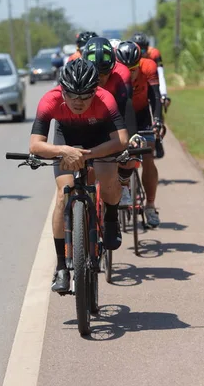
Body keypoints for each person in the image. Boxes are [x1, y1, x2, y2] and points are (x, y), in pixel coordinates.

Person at [29, 58, 129, 293]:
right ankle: (62, 267)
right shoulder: (49, 100)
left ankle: (111, 218)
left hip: (99, 140)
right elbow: (35, 145)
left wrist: (89, 154)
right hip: (66, 141)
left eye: (85, 96)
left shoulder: (106, 99)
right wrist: (64, 151)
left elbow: (121, 139)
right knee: (63, 195)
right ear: (62, 89)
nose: (79, 102)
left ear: (96, 90)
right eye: (72, 95)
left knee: (107, 180)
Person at [82, 37, 142, 207]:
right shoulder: (78, 72)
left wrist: (131, 136)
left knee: (129, 151)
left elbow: (126, 106)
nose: (100, 79)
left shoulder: (121, 73)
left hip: (114, 116)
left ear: (112, 68)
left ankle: (122, 186)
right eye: (96, 74)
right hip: (88, 119)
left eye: (104, 74)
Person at [117, 41, 163, 228]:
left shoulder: (149, 67)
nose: (130, 73)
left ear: (140, 63)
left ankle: (150, 206)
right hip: (121, 114)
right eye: (126, 69)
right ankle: (124, 185)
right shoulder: (114, 74)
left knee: (148, 156)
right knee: (119, 153)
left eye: (134, 69)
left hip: (142, 113)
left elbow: (155, 97)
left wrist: (157, 121)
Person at [131, 32, 171, 110]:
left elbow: (160, 74)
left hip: (152, 80)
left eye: (142, 50)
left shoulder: (154, 53)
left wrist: (163, 94)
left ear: (147, 48)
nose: (140, 54)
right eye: (137, 50)